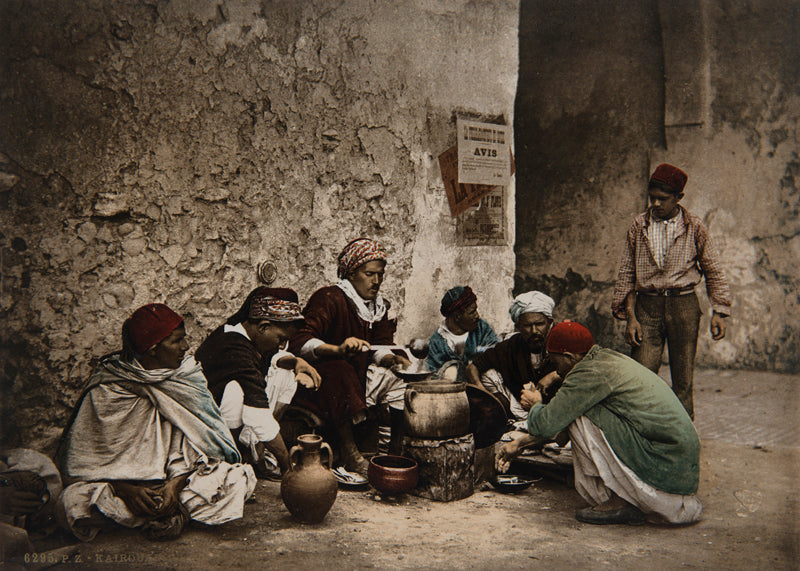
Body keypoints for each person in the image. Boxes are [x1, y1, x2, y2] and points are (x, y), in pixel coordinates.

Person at [57, 304, 255, 541]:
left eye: (185, 339)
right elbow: (85, 461)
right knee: (71, 502)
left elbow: (198, 447)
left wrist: (174, 486)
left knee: (236, 479)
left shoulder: (184, 377)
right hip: (120, 488)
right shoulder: (109, 388)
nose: (186, 347)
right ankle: (164, 515)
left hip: (173, 483)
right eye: (177, 341)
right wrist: (127, 490)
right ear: (152, 349)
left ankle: (151, 514)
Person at [497, 322, 703, 526]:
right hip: (678, 463)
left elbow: (545, 425)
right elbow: (559, 423)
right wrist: (520, 443)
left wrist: (535, 405)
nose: (554, 367)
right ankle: (624, 496)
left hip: (665, 460)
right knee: (576, 409)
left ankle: (619, 501)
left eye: (554, 360)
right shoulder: (603, 358)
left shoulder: (587, 375)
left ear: (569, 357)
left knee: (581, 413)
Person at [612, 163, 732, 419]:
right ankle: (640, 437)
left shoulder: (694, 227)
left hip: (684, 307)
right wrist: (631, 318)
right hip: (647, 307)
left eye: (663, 199)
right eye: (652, 197)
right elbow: (627, 273)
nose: (656, 204)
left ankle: (682, 440)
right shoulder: (638, 226)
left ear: (679, 198)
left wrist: (719, 311)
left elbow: (713, 269)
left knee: (683, 381)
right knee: (640, 378)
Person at [289, 238, 411, 476]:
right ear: (352, 274)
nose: (376, 281)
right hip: (321, 381)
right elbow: (300, 340)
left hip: (359, 375)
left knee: (399, 376)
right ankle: (350, 453)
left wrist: (390, 359)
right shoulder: (329, 298)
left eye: (380, 275)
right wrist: (337, 349)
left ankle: (396, 451)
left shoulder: (378, 307)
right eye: (369, 274)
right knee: (340, 369)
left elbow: (381, 346)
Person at [195, 287, 320, 478]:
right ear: (263, 327)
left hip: (224, 419)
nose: (281, 345)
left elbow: (272, 358)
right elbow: (257, 414)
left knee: (286, 374)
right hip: (207, 429)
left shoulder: (247, 336)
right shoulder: (232, 345)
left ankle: (258, 449)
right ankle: (233, 459)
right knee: (236, 392)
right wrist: (287, 465)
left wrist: (295, 362)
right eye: (281, 339)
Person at [465, 291, 559, 420]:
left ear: (549, 323)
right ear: (518, 327)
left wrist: (554, 376)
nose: (534, 331)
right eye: (527, 326)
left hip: (557, 410)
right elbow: (472, 368)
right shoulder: (511, 345)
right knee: (488, 374)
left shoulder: (561, 341)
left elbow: (584, 368)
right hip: (520, 408)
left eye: (539, 324)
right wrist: (483, 394)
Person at [426, 286, 499, 380]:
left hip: (483, 386)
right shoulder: (436, 343)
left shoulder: (481, 328)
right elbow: (432, 375)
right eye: (472, 312)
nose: (477, 316)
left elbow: (496, 351)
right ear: (458, 316)